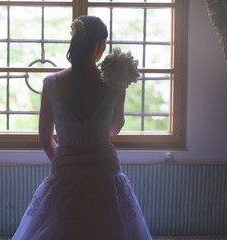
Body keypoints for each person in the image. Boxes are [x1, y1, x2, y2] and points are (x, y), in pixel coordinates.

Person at [12, 15, 152, 240]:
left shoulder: (51, 84)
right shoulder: (115, 85)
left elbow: (44, 139)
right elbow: (114, 128)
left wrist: (64, 161)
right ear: (99, 45)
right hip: (103, 173)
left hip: (65, 170)